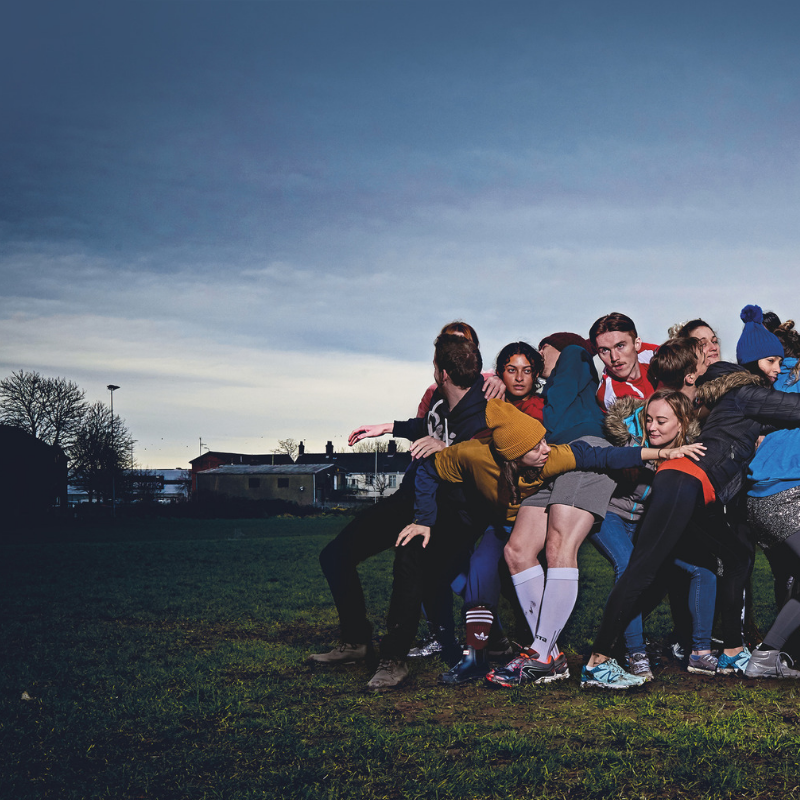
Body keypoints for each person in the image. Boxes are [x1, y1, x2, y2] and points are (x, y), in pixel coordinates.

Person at [396, 399, 704, 687]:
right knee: (515, 551)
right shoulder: (475, 453)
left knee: (560, 546)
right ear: (512, 455)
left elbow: (606, 456)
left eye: (544, 440)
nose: (545, 447)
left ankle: (541, 655)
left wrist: (661, 454)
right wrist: (424, 518)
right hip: (550, 474)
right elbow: (429, 467)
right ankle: (551, 657)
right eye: (536, 446)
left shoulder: (553, 454)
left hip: (584, 461)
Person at [583, 304, 800, 689]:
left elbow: (772, 418)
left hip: (697, 488)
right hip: (682, 480)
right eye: (771, 361)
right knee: (643, 569)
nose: (778, 368)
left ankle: (733, 651)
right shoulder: (746, 392)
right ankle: (597, 662)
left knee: (735, 557)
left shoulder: (735, 394)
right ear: (751, 364)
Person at [310, 333, 488, 672]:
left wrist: (448, 451)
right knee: (335, 555)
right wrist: (387, 427)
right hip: (410, 497)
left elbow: (482, 459)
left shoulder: (483, 412)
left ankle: (393, 658)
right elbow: (427, 424)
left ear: (441, 371)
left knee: (410, 558)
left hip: (449, 510)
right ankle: (356, 642)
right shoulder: (439, 399)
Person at [594, 388, 718, 679]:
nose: (652, 427)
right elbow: (613, 456)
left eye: (661, 421)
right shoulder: (632, 439)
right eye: (649, 419)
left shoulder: (691, 450)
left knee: (704, 570)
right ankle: (635, 653)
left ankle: (700, 653)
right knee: (629, 569)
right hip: (611, 516)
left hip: (645, 525)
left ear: (682, 423)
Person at [745, 319, 800, 678]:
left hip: (762, 496)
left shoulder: (776, 376)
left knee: (791, 576)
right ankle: (768, 655)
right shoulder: (788, 374)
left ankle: (782, 654)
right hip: (782, 492)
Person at [590, 312, 659, 411]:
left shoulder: (648, 352)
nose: (614, 358)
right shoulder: (612, 395)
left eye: (620, 346)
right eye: (605, 350)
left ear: (637, 344)